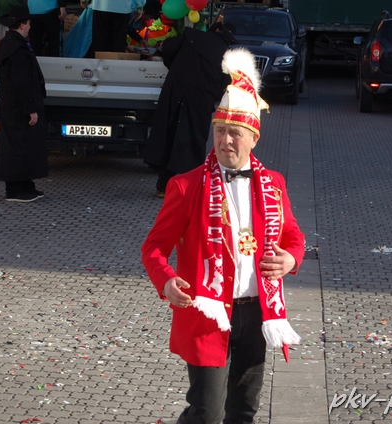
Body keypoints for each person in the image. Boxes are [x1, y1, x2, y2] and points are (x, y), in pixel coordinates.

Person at [142, 48, 305, 424]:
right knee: (207, 414)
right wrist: (165, 281)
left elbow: (293, 235)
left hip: (257, 313)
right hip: (208, 314)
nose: (225, 141)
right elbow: (153, 247)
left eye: (235, 133)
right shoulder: (186, 186)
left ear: (253, 138)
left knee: (244, 411)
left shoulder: (273, 184)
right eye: (219, 131)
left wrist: (291, 258)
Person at [143, 22, 237, 197]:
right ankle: (193, 188)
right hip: (200, 102)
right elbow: (225, 84)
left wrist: (177, 68)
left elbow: (168, 49)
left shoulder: (191, 36)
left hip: (174, 93)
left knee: (169, 136)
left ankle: (162, 186)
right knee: (194, 142)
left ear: (215, 29)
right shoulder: (227, 55)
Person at [0, 6, 48, 202]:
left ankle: (25, 185)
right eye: (29, 23)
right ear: (22, 25)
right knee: (20, 148)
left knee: (22, 146)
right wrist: (30, 109)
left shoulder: (9, 45)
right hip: (19, 108)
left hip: (12, 107)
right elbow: (22, 82)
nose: (30, 27)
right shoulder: (17, 49)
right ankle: (15, 189)